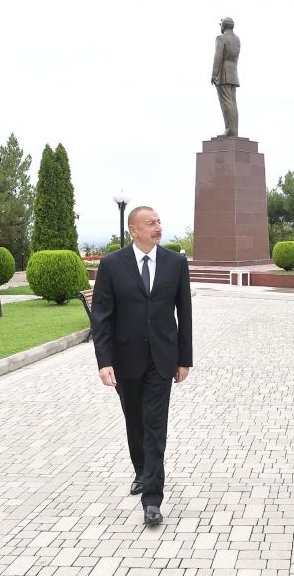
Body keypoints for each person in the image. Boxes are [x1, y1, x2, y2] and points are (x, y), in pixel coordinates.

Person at [91, 206, 193, 525]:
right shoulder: (111, 265)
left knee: (154, 426)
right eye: (150, 223)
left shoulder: (176, 263)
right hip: (125, 361)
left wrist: (184, 358)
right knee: (134, 422)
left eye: (159, 222)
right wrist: (104, 361)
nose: (157, 227)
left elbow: (184, 314)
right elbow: (102, 317)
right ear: (133, 230)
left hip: (162, 360)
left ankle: (152, 498)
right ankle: (142, 469)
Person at [211, 16, 240, 137]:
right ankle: (234, 130)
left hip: (223, 73)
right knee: (232, 102)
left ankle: (230, 129)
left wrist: (214, 73)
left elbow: (218, 57)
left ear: (224, 25)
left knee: (226, 102)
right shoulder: (237, 39)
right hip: (233, 73)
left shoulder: (220, 38)